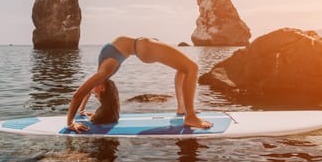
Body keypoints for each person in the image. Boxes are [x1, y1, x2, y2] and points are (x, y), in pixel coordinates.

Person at [66, 36, 213, 132]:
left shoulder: (101, 76)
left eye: (94, 94)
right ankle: (191, 116)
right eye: (96, 94)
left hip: (143, 46)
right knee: (193, 68)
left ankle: (182, 109)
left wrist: (82, 111)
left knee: (183, 69)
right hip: (144, 47)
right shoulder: (105, 72)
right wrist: (70, 123)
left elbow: (84, 92)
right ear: (103, 88)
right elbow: (77, 95)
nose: (93, 93)